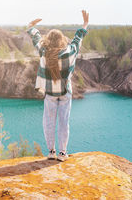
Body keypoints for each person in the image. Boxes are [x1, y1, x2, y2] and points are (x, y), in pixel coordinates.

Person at [26, 10, 89, 162]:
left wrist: (31, 25)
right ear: (62, 40)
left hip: (50, 94)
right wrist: (85, 24)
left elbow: (35, 37)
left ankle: (51, 151)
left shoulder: (43, 51)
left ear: (48, 40)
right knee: (64, 122)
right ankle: (62, 153)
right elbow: (77, 39)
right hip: (65, 92)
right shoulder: (69, 52)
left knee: (48, 122)